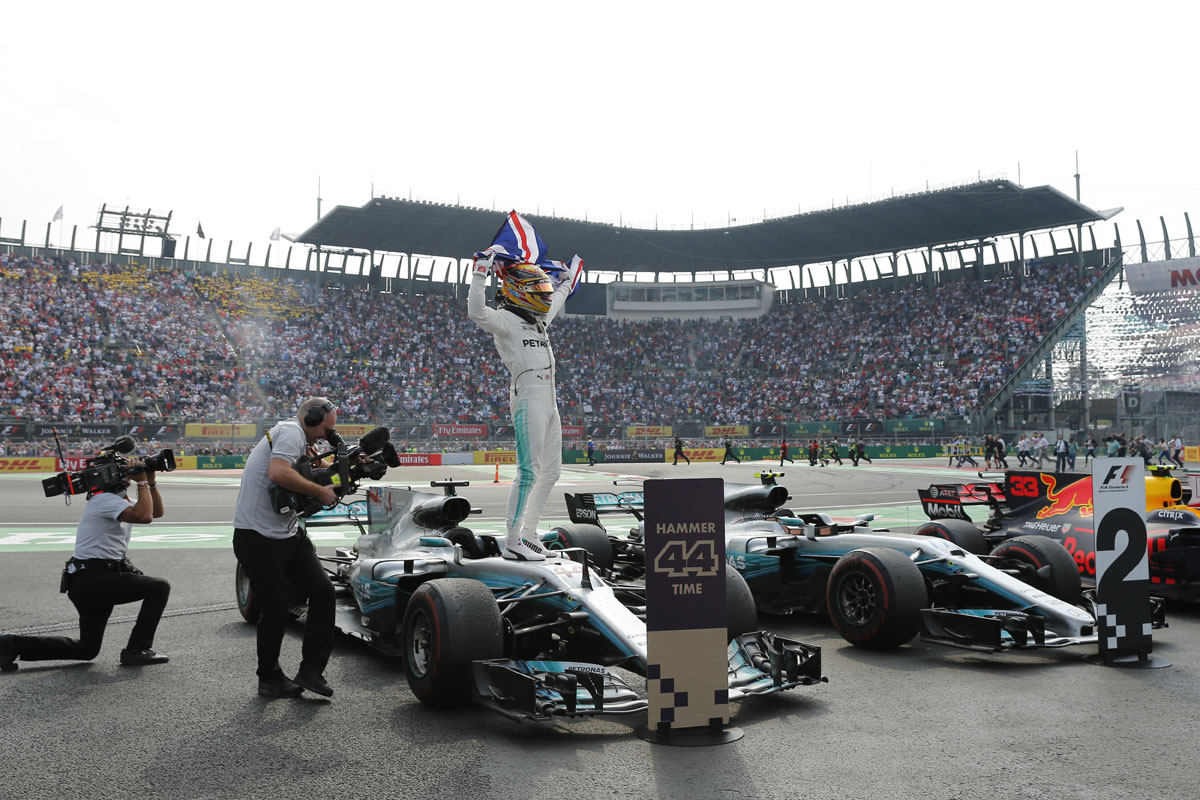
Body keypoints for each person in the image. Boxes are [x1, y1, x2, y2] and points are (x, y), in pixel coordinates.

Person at [468, 222, 583, 561]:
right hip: (528, 395)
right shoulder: (505, 320)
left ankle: (530, 533)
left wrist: (566, 281)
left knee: (553, 472)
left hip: (550, 398)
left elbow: (557, 298)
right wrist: (480, 273)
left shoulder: (538, 320)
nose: (543, 294)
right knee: (529, 470)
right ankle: (514, 539)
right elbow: (476, 312)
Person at [1, 456, 170, 672]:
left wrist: (151, 480)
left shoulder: (116, 500)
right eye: (121, 470)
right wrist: (142, 482)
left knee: (87, 650)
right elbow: (145, 516)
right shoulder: (104, 501)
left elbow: (156, 512)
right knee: (159, 587)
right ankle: (136, 650)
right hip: (95, 579)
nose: (126, 473)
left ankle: (10, 644)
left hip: (88, 581)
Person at [232, 397, 340, 698]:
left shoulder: (300, 439)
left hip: (287, 534)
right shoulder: (291, 432)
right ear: (311, 417)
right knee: (277, 606)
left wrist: (350, 468)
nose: (325, 435)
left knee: (323, 592)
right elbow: (279, 473)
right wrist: (320, 491)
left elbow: (310, 474)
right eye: (325, 429)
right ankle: (269, 677)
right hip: (257, 537)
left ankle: (311, 672)